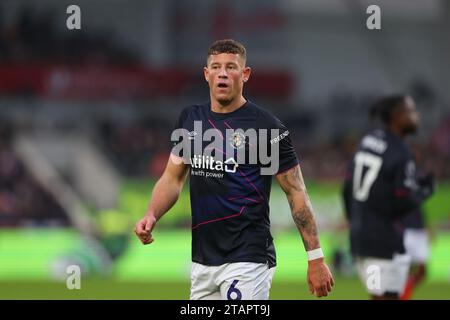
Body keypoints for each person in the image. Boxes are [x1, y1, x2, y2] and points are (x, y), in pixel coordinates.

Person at [135, 39, 333, 300]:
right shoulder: (191, 119)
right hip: (203, 261)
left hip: (248, 258)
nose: (223, 73)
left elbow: (296, 193)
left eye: (231, 67)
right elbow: (172, 179)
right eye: (216, 67)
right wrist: (152, 214)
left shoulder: (267, 128)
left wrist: (315, 258)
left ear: (245, 74)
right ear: (207, 75)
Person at [342, 95, 434, 300]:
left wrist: (355, 220)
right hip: (382, 243)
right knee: (384, 297)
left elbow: (347, 188)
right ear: (397, 116)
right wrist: (423, 192)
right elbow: (402, 202)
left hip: (362, 239)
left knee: (381, 295)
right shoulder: (400, 151)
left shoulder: (368, 140)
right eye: (410, 111)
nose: (416, 116)